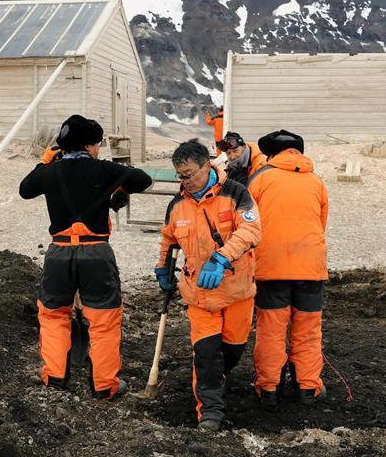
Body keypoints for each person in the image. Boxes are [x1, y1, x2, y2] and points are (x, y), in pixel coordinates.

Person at [20, 115, 152, 400]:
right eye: (98, 144)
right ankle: (105, 385)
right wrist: (119, 183)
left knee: (54, 314)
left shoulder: (50, 171)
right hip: (96, 252)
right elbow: (144, 180)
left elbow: (25, 189)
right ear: (91, 144)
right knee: (103, 319)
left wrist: (44, 162)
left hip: (58, 253)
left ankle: (54, 377)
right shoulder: (104, 169)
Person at [156, 139, 262, 431]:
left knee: (232, 351)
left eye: (188, 174)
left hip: (237, 291)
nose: (184, 181)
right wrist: (162, 267)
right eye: (180, 175)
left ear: (207, 166)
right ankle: (210, 413)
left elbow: (252, 230)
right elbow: (168, 239)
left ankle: (217, 378)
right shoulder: (177, 205)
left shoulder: (236, 193)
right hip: (199, 295)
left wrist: (221, 258)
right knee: (205, 354)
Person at [247, 130, 329, 405]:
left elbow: (248, 222)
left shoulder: (260, 177)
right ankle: (308, 387)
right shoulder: (316, 181)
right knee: (308, 328)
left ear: (270, 154)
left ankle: (268, 388)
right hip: (311, 266)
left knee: (271, 329)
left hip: (271, 266)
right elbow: (321, 222)